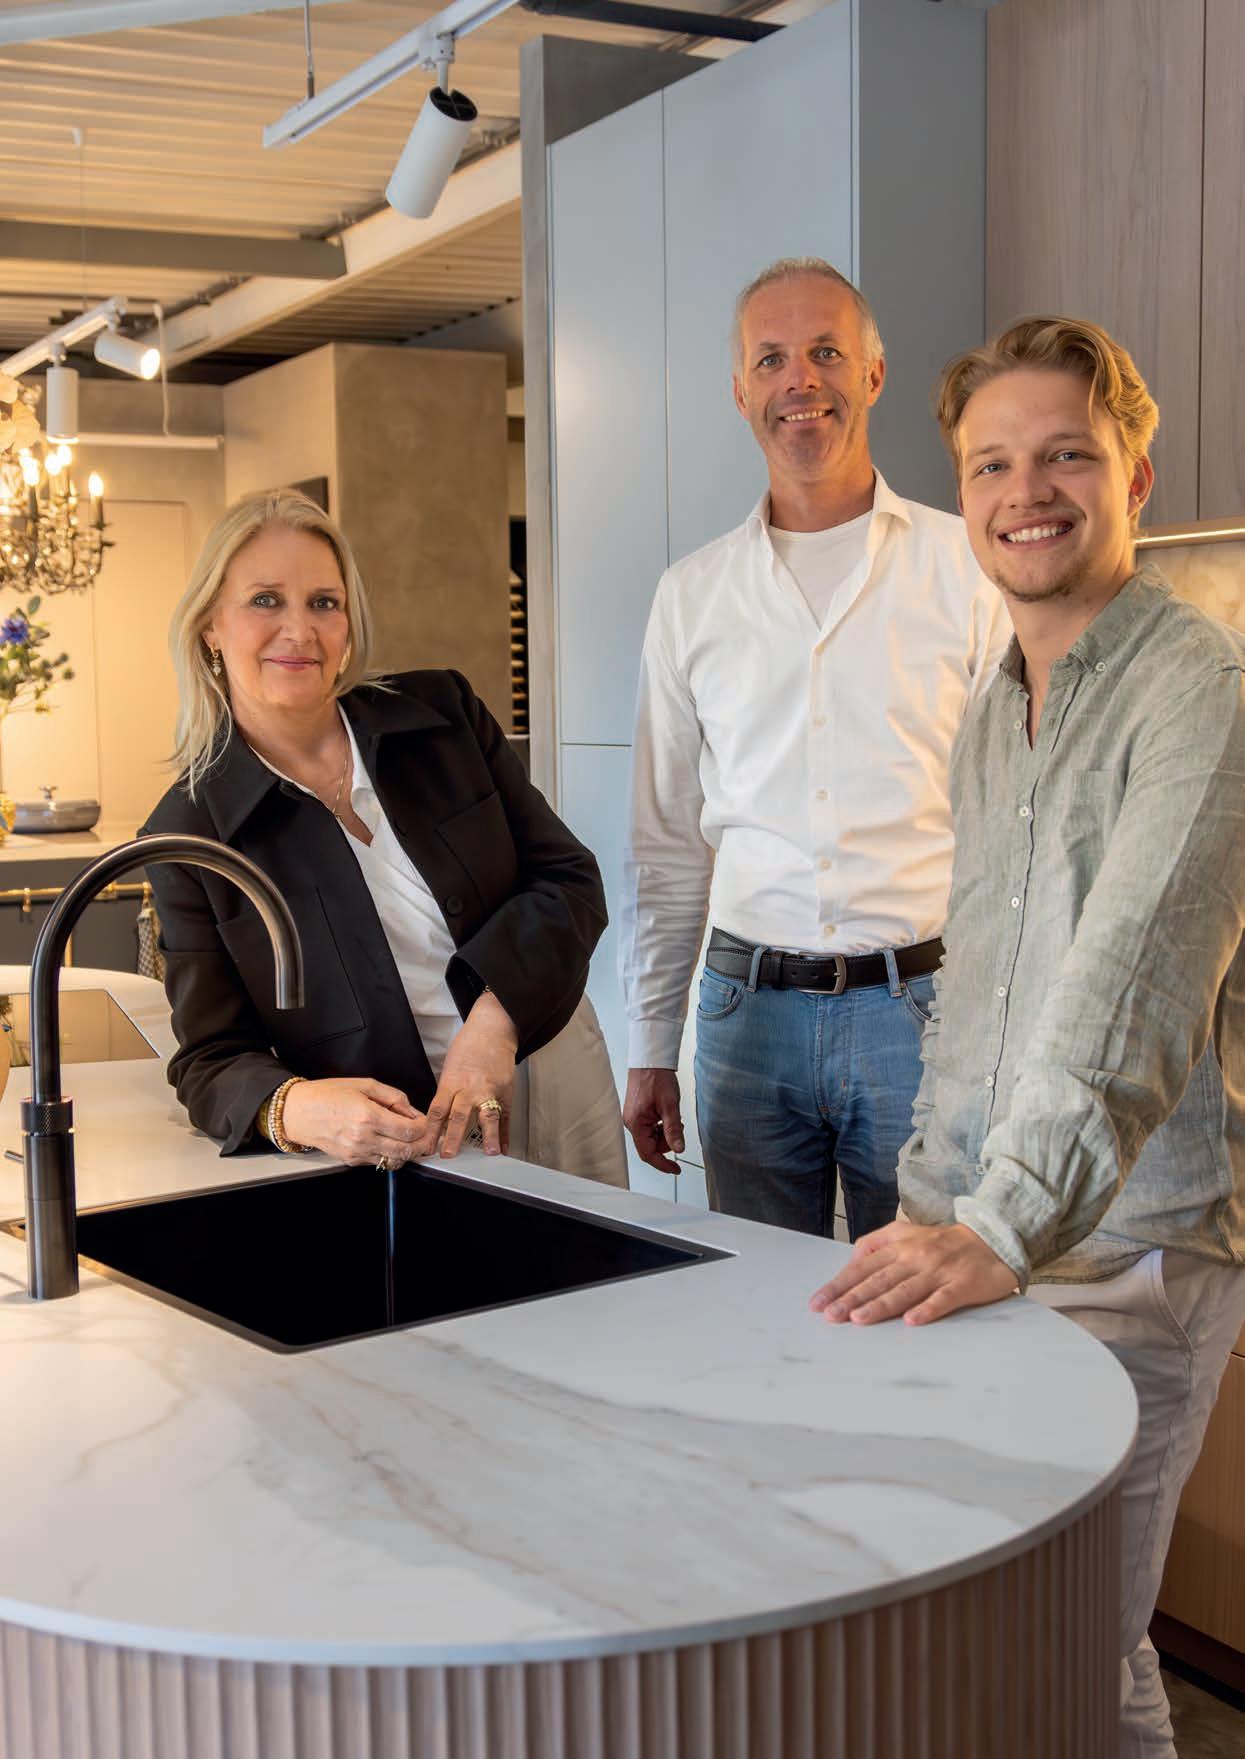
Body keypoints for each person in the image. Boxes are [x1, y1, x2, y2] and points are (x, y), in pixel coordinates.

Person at [809, 317, 1245, 1758]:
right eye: (992, 463)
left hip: (1131, 1247)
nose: (1026, 491)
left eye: (1067, 454)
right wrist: (931, 1200)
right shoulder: (997, 708)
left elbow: (1133, 986)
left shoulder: (1202, 688)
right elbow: (980, 983)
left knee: (1069, 1643)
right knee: (1043, 1640)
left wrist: (996, 1220)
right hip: (990, 1231)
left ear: (1136, 473)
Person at [620, 257, 1009, 1238]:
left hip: (923, 1011)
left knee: (923, 1294)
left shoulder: (966, 567)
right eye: (772, 358)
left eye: (826, 352)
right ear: (740, 389)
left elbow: (1014, 824)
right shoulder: (690, 596)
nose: (800, 379)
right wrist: (650, 1042)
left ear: (872, 374)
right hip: (745, 1018)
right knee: (758, 1301)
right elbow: (666, 845)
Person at [145, 488, 623, 1180]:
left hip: (552, 1070)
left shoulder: (443, 715)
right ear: (210, 627)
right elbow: (209, 1059)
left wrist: (495, 1019)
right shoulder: (192, 830)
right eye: (265, 600)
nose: (299, 631)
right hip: (405, 1143)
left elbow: (568, 880)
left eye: (324, 602)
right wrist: (300, 1108)